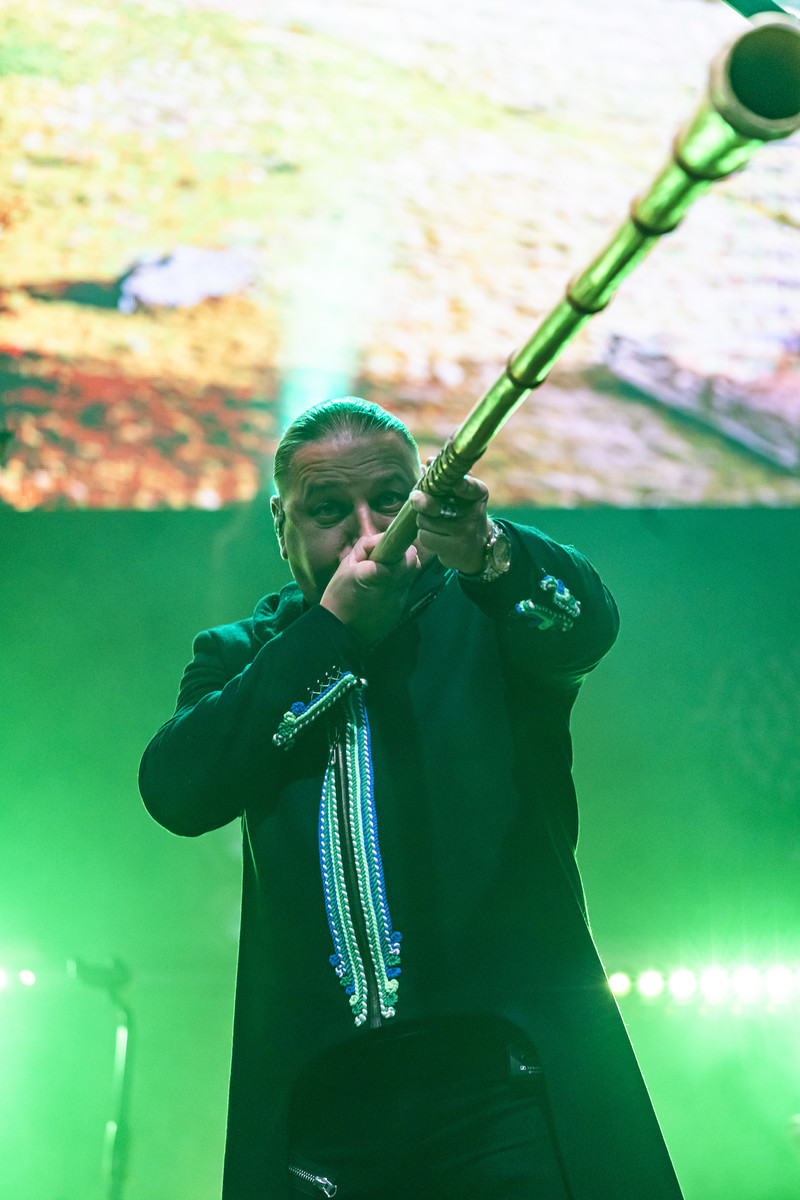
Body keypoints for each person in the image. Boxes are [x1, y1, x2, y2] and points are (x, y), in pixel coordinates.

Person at [139, 397, 684, 1200]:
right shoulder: (244, 653)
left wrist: (489, 549)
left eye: (390, 500)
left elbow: (585, 627)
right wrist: (331, 629)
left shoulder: (486, 609)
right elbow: (178, 791)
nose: (368, 533)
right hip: (326, 1102)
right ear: (281, 527)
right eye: (329, 510)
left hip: (506, 1079)